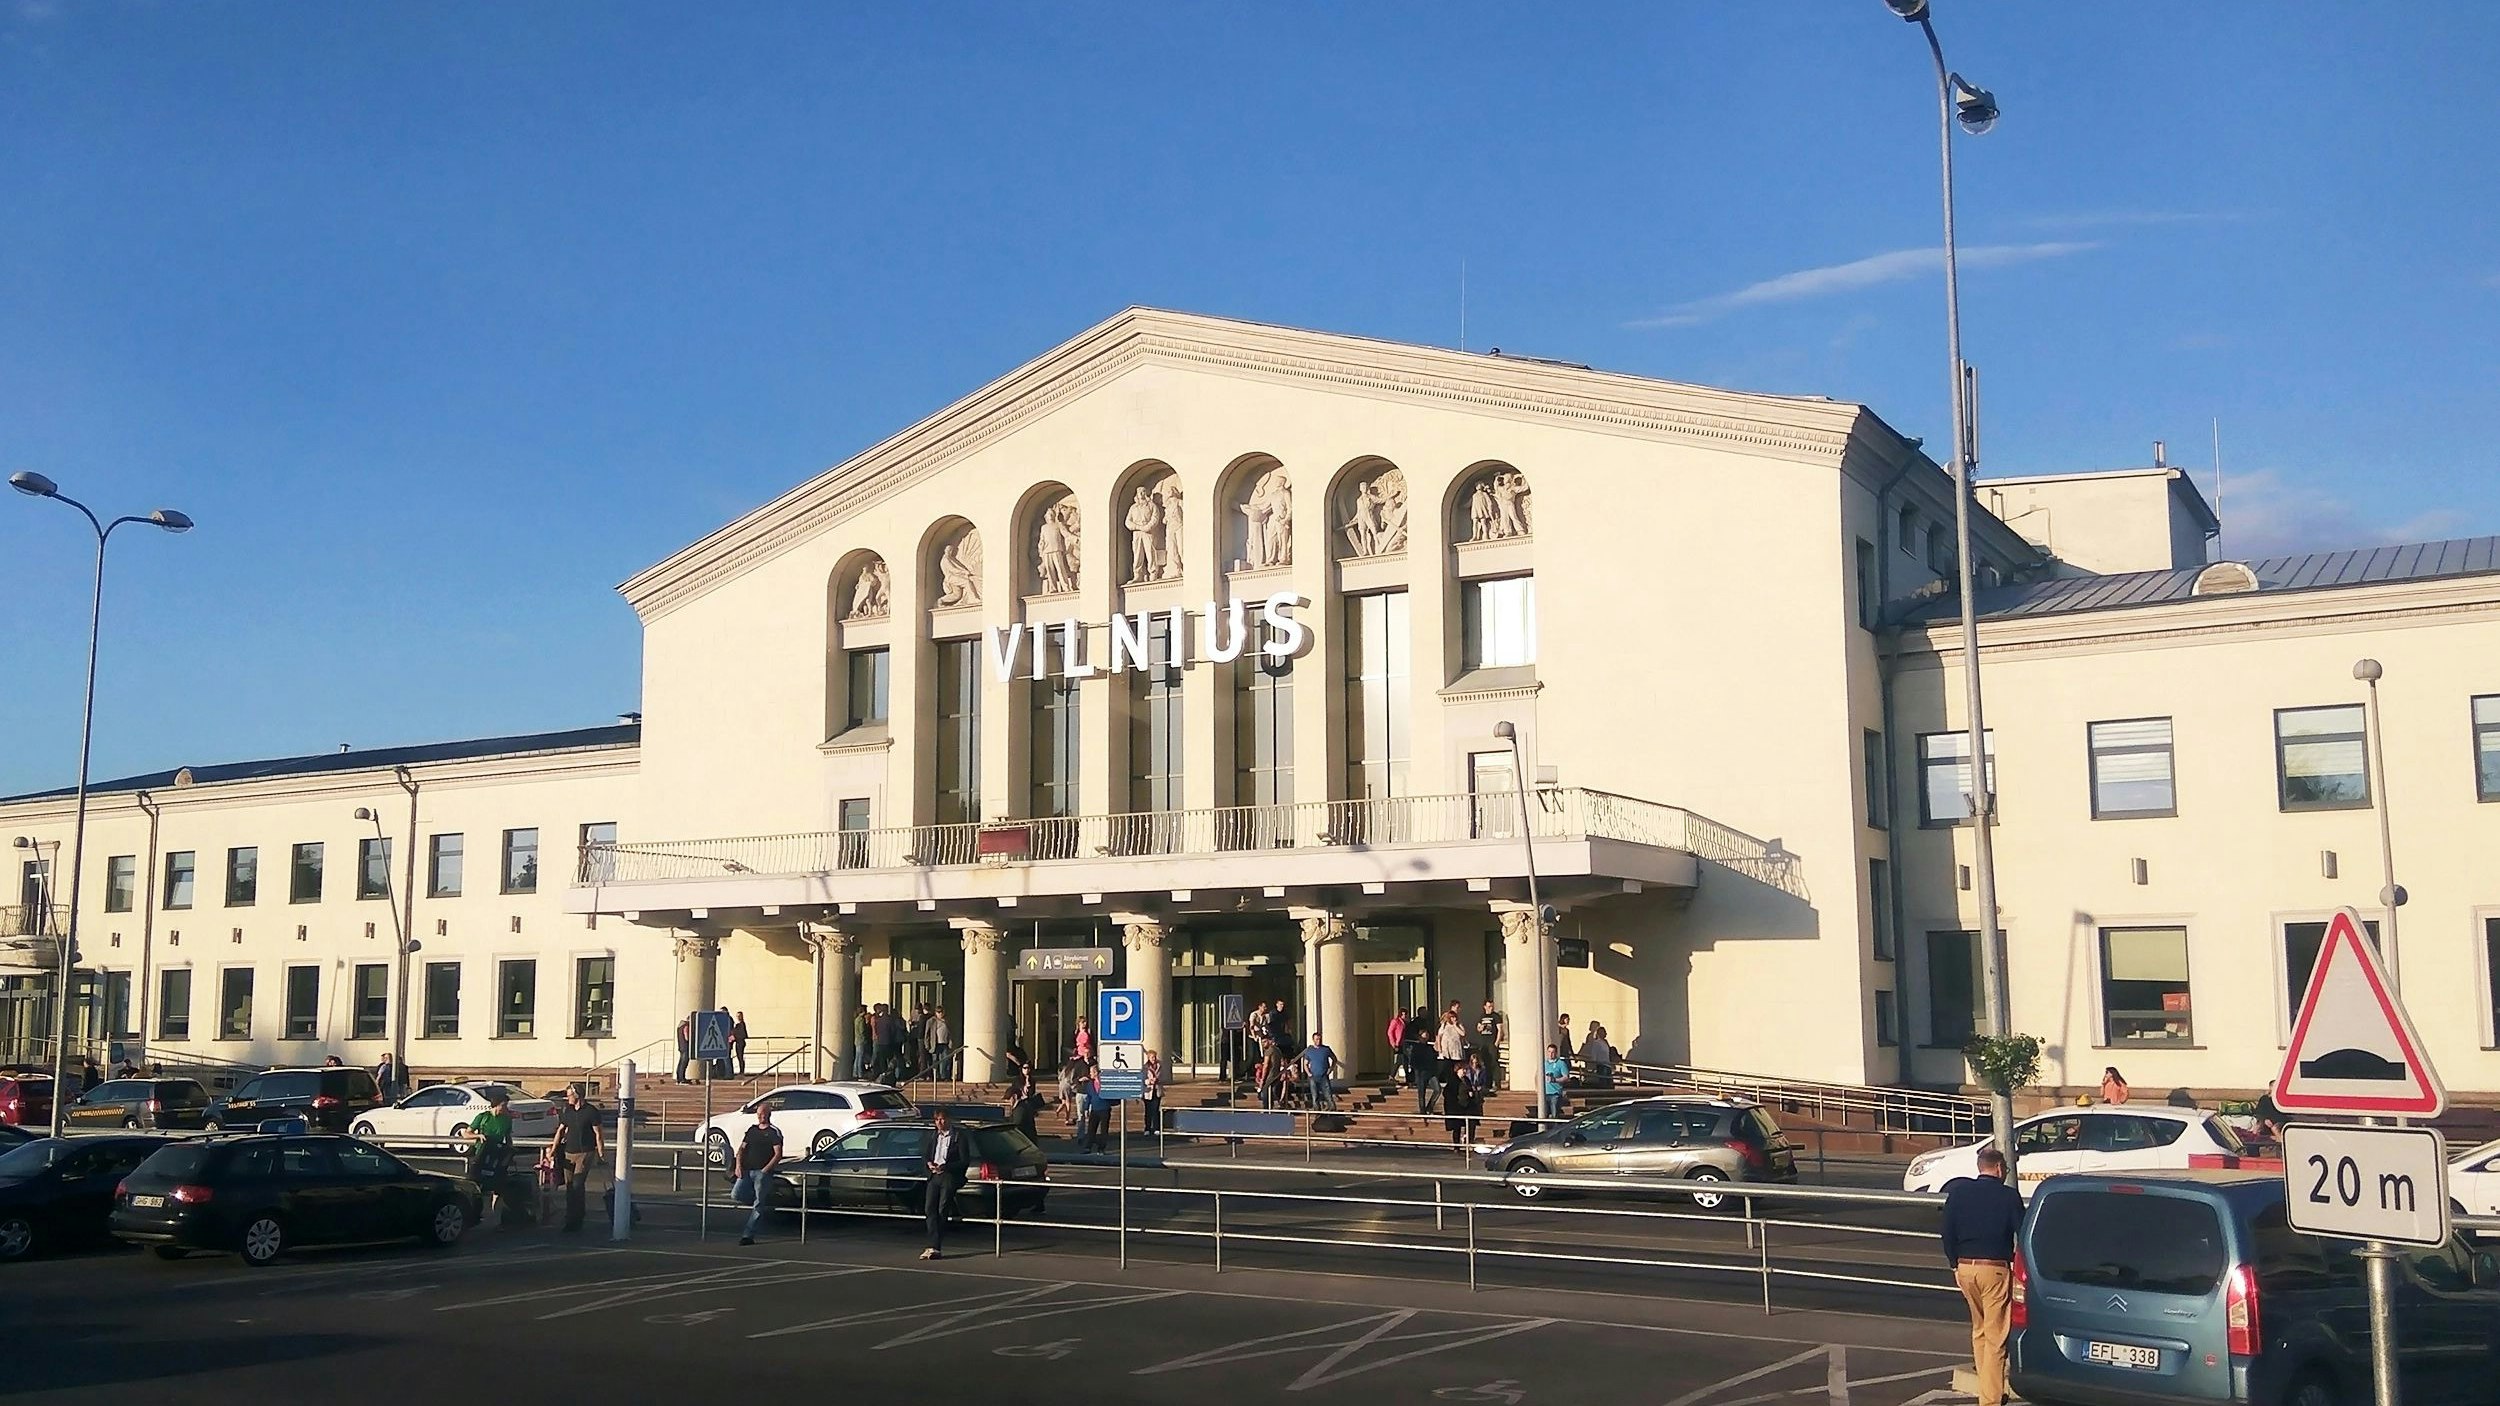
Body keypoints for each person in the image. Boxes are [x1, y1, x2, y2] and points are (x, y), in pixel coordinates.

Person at [1942, 1148, 2025, 1406]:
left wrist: (1955, 1265)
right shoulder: (2008, 1196)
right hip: (1995, 1269)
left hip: (1965, 1268)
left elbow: (1946, 1232)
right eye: (2006, 1170)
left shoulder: (1958, 1193)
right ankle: (1989, 1399)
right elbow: (2021, 1233)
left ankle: (1986, 1387)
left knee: (1979, 1330)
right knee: (1996, 1336)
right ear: (1999, 1168)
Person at [553, 1084, 605, 1233]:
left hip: (585, 1151)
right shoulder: (567, 1111)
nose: (567, 1098)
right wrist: (554, 1148)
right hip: (569, 1151)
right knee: (569, 1186)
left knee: (577, 1184)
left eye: (569, 1095)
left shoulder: (591, 1111)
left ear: (577, 1095)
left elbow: (598, 1133)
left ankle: (578, 1217)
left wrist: (601, 1153)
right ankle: (570, 1217)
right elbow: (561, 1130)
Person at [921, 1108, 971, 1259]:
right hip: (934, 1176)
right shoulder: (933, 1136)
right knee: (929, 1209)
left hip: (949, 1176)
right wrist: (929, 1164)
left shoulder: (959, 1136)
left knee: (942, 1210)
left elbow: (964, 1161)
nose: (939, 1123)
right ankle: (932, 1245)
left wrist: (946, 1167)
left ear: (949, 1119)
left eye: (942, 1119)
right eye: (937, 1120)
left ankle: (936, 1246)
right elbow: (926, 1155)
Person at [733, 1103, 782, 1246]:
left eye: (764, 1114)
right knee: (736, 1194)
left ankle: (748, 1235)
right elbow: (741, 1149)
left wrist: (766, 1169)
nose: (761, 1117)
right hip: (747, 1170)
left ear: (769, 1114)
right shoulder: (752, 1130)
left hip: (762, 1172)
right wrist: (738, 1166)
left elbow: (778, 1153)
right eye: (759, 1114)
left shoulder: (774, 1132)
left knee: (759, 1204)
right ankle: (759, 1200)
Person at [465, 1090, 517, 1223]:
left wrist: (510, 1154)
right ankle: (475, 1213)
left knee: (499, 1185)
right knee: (476, 1184)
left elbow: (508, 1138)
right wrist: (478, 1136)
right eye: (503, 1105)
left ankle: (496, 1215)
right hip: (481, 1154)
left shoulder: (506, 1120)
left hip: (497, 1154)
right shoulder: (483, 1117)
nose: (505, 1108)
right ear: (496, 1105)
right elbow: (466, 1133)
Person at [1301, 1031, 1340, 1112]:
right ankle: (1317, 1110)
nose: (1318, 1041)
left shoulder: (1326, 1049)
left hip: (1323, 1076)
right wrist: (1309, 1073)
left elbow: (1334, 1059)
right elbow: (1305, 1064)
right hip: (1313, 1076)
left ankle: (1332, 1109)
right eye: (1316, 1039)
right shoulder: (1309, 1051)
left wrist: (1330, 1069)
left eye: (1319, 1039)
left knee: (1328, 1094)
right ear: (1313, 1040)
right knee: (1315, 1095)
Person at [1473, 1000, 1506, 1084]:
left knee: (1494, 1062)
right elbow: (1478, 1028)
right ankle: (1488, 1082)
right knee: (1485, 1062)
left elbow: (1500, 1030)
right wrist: (1481, 1027)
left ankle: (1497, 1082)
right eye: (1488, 1006)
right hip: (1484, 1042)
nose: (1490, 1008)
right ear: (1484, 1007)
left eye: (1492, 1006)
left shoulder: (1496, 1016)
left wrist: (1497, 1042)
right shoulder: (1482, 1016)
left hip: (1492, 1042)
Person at [1579, 1022, 1616, 1089]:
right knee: (1603, 1081)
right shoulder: (1596, 1042)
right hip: (1601, 1064)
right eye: (1604, 1032)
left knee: (1609, 1082)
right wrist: (1594, 1063)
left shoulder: (1605, 1042)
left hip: (1607, 1064)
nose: (1605, 1034)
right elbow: (1594, 1054)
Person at [1542, 1043, 1570, 1117]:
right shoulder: (1544, 1063)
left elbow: (1566, 1077)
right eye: (1549, 1052)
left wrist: (1555, 1080)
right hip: (1544, 1094)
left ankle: (1555, 1127)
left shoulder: (1560, 1063)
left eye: (1553, 1052)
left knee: (1555, 1115)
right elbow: (1537, 1075)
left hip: (1555, 1094)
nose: (1551, 1054)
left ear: (1556, 1053)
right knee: (1544, 1115)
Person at [928, 1007, 954, 1081]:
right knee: (935, 1060)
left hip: (945, 1043)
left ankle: (944, 1076)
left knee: (945, 1060)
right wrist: (928, 1045)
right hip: (935, 1044)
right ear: (935, 1013)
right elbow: (927, 1033)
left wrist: (950, 1042)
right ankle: (936, 1076)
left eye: (941, 1012)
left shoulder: (946, 1021)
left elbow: (950, 1032)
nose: (940, 1014)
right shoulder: (932, 1021)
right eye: (938, 1012)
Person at [1142, 1049, 1164, 1133]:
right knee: (1148, 1110)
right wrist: (1149, 1081)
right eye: (1152, 1057)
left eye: (1154, 1057)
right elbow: (1143, 1079)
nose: (1153, 1059)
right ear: (1148, 1058)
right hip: (1148, 1091)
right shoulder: (1145, 1067)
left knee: (1155, 1110)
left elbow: (1163, 1076)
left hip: (1157, 1090)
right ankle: (1147, 1128)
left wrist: (1157, 1080)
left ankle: (1156, 1128)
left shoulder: (1159, 1066)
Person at [731, 1010, 750, 1078]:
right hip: (739, 1042)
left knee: (740, 1057)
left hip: (740, 1042)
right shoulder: (739, 1024)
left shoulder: (741, 1024)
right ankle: (741, 1070)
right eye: (737, 1016)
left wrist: (734, 1036)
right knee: (739, 1057)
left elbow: (741, 1034)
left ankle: (742, 1071)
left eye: (739, 1016)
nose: (738, 1017)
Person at [676, 1016, 695, 1083]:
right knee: (684, 1063)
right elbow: (687, 1037)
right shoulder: (686, 1026)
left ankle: (679, 1077)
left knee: (681, 1062)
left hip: (681, 1046)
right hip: (685, 1046)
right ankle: (682, 1079)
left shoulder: (680, 1026)